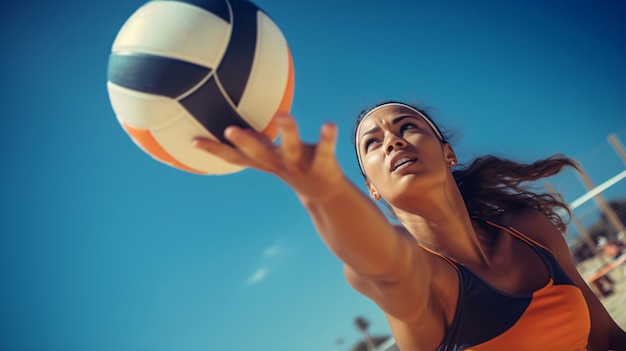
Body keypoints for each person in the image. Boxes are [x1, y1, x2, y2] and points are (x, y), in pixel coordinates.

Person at [193, 101, 626, 351]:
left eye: (407, 127)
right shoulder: (421, 278)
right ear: (372, 189)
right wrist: (321, 191)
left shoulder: (528, 230)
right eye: (373, 143)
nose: (393, 140)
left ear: (448, 153)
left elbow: (607, 337)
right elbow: (379, 261)